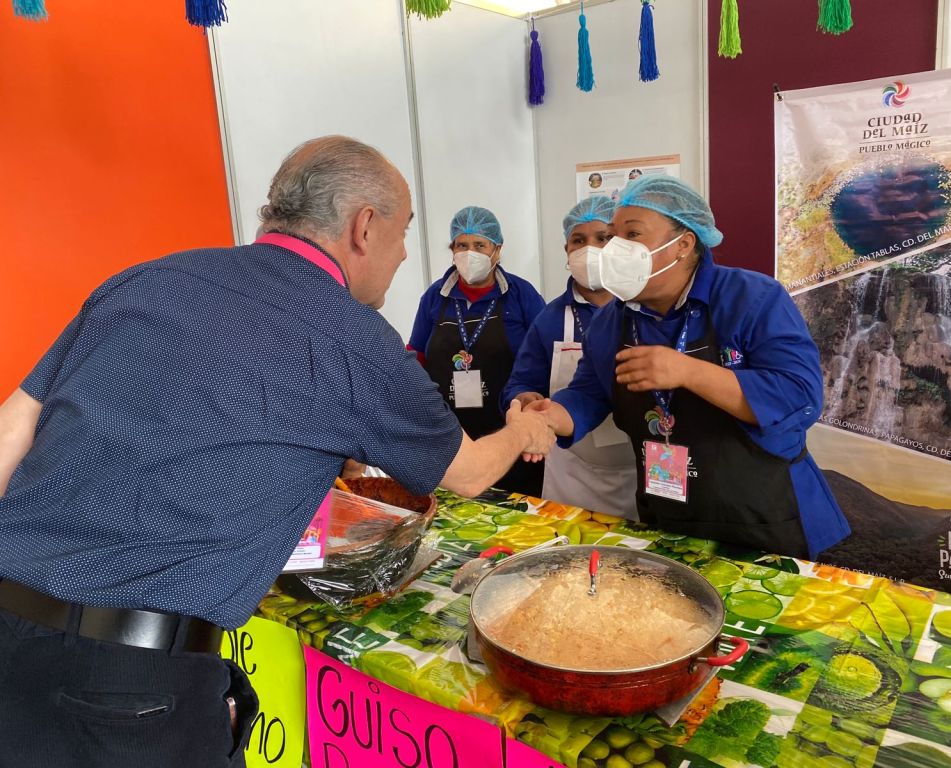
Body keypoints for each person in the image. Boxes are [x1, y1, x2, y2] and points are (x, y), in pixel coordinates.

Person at [0, 136, 554, 767]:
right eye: (403, 233)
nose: (405, 254)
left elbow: (14, 429)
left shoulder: (142, 281)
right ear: (364, 227)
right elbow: (472, 473)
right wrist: (523, 432)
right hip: (131, 688)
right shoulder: (351, 335)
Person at [526, 176, 850, 559]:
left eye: (632, 235)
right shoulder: (611, 321)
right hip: (668, 515)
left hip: (767, 517)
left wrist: (689, 371)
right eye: (613, 236)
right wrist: (548, 418)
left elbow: (800, 398)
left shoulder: (753, 298)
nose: (613, 249)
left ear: (683, 244)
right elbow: (588, 394)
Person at [502, 197, 637, 518]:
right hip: (572, 474)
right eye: (579, 240)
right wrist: (524, 398)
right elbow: (518, 383)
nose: (590, 249)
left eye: (603, 238)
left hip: (639, 469)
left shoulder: (643, 312)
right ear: (566, 250)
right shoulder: (549, 319)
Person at [409, 206, 546, 496]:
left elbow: (545, 355)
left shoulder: (522, 295)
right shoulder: (435, 297)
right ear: (452, 250)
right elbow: (416, 356)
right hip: (449, 431)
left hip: (508, 428)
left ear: (497, 250)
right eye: (462, 245)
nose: (470, 253)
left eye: (480, 245)